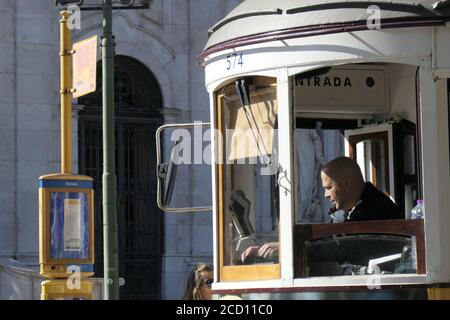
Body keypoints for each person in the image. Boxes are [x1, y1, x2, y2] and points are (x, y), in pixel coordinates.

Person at [240, 156, 403, 262]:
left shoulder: (375, 210)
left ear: (346, 183)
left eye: (328, 188)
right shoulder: (354, 208)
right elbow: (327, 239)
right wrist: (264, 249)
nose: (325, 195)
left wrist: (286, 250)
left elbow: (337, 248)